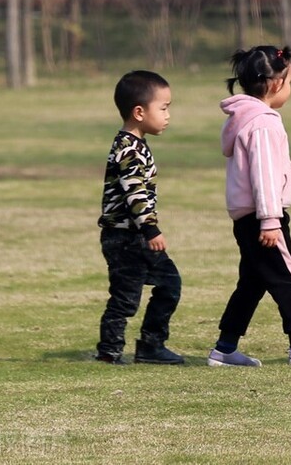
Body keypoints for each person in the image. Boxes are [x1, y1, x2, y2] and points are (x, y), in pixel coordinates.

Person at [208, 46, 291, 367]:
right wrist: (270, 220)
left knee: (253, 282)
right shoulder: (264, 124)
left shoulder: (247, 120)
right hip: (263, 219)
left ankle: (225, 348)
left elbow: (278, 166)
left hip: (248, 219)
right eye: (290, 82)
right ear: (275, 84)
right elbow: (265, 176)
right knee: (288, 278)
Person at [96, 70, 184, 365]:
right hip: (126, 237)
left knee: (169, 284)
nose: (168, 115)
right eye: (164, 108)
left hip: (133, 235)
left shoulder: (135, 145)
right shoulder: (128, 150)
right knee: (126, 296)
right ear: (139, 112)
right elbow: (134, 193)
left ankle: (151, 345)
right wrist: (151, 230)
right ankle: (110, 350)